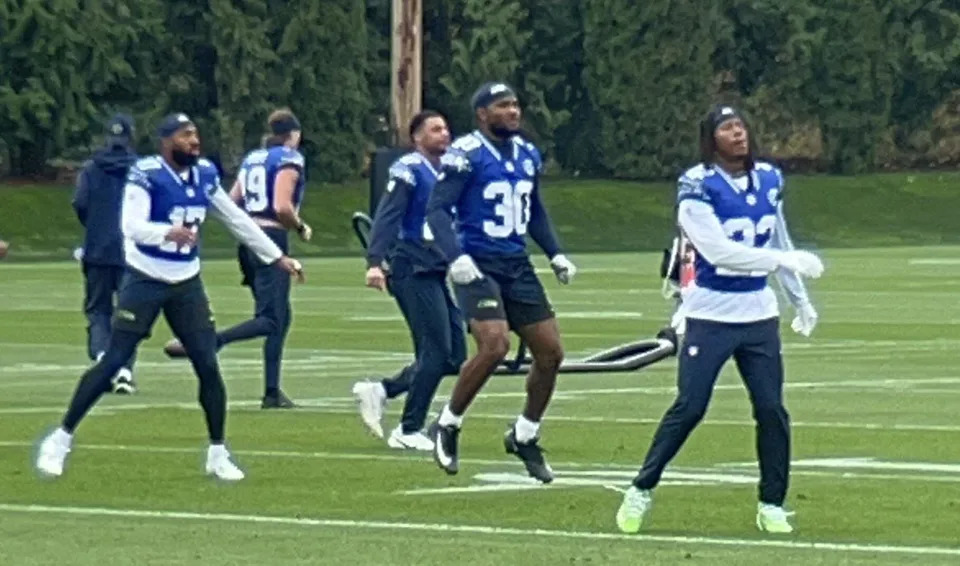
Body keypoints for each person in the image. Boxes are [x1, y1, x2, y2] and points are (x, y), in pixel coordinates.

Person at [34, 113, 305, 481]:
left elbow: (237, 220)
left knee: (208, 363)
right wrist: (167, 233)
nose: (194, 140)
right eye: (185, 134)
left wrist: (276, 257)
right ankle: (60, 438)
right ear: (166, 142)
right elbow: (131, 226)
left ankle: (218, 452)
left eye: (195, 133)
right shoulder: (146, 173)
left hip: (185, 281)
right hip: (145, 276)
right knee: (114, 359)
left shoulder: (205, 174)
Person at [614, 105, 824, 535]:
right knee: (690, 406)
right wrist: (784, 260)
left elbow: (778, 235)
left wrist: (799, 299)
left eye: (741, 126)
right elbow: (718, 251)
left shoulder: (768, 178)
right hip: (709, 312)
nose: (737, 134)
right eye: (727, 128)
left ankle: (772, 503)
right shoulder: (697, 184)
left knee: (771, 410)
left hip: (758, 314)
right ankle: (641, 488)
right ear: (711, 138)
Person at [424, 82, 577, 483]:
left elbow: (534, 208)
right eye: (502, 105)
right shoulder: (466, 154)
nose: (513, 111)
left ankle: (524, 434)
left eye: (515, 104)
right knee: (494, 345)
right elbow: (437, 210)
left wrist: (554, 252)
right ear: (482, 114)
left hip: (515, 262)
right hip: (478, 264)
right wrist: (455, 256)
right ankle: (449, 422)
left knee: (550, 353)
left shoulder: (527, 153)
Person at [163, 108, 311, 409]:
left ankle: (272, 392)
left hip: (247, 241)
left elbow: (232, 202)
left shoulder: (253, 158)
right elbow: (283, 206)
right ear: (293, 134)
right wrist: (299, 226)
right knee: (271, 319)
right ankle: (213, 342)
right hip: (270, 239)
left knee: (279, 316)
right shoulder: (289, 157)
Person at [351, 110, 466, 449]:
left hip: (434, 268)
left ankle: (383, 390)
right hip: (411, 266)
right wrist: (374, 261)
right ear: (416, 137)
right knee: (435, 350)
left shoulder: (447, 172)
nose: (443, 134)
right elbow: (388, 215)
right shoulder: (409, 169)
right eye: (435, 129)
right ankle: (408, 428)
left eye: (446, 128)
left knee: (454, 355)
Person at [72, 114, 139, 394]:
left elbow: (80, 203)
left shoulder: (90, 168)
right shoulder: (139, 169)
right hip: (131, 252)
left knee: (98, 310)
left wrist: (96, 228)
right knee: (128, 314)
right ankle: (124, 369)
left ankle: (102, 358)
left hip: (97, 250)